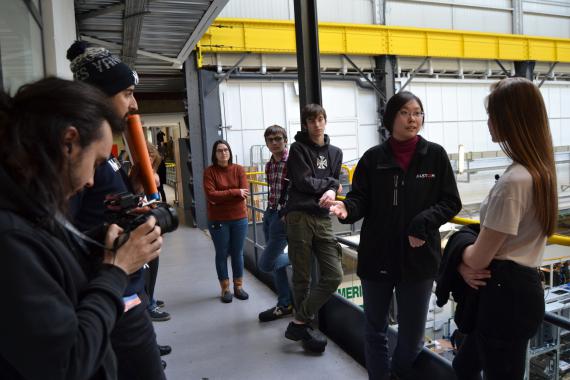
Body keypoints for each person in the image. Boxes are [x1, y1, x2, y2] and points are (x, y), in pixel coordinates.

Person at [0, 77, 162, 379]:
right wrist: (117, 270)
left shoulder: (30, 206)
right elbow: (67, 363)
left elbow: (50, 263)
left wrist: (98, 241)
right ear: (68, 143)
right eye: (97, 163)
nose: (91, 180)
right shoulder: (11, 237)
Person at [328, 91, 461, 379]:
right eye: (405, 112)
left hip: (419, 259)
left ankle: (397, 374)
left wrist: (422, 222)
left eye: (417, 112)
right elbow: (360, 199)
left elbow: (451, 202)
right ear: (391, 118)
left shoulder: (435, 156)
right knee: (375, 329)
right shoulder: (374, 158)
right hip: (378, 255)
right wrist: (346, 208)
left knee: (412, 337)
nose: (413, 119)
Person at [67, 40, 170, 379]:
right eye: (127, 92)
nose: (134, 102)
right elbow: (70, 232)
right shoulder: (79, 155)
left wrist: (135, 187)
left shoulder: (100, 146)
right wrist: (118, 262)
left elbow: (104, 208)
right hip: (113, 291)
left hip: (124, 287)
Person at [453, 77, 557, 380]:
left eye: (493, 114)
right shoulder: (542, 172)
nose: (488, 122)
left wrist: (459, 257)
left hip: (502, 295)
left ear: (511, 119)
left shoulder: (514, 181)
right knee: (469, 367)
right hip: (521, 291)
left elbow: (478, 259)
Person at [283, 103, 344, 354]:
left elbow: (338, 180)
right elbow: (303, 181)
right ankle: (305, 327)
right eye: (311, 121)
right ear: (306, 125)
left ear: (325, 121)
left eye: (320, 119)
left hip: (322, 217)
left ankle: (299, 319)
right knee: (302, 276)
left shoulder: (336, 152)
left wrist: (332, 187)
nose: (317, 124)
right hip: (299, 216)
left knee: (334, 274)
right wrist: (331, 186)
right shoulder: (297, 149)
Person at [203, 139, 250, 303]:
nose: (223, 153)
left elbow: (244, 193)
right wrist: (234, 192)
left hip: (239, 219)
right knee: (222, 254)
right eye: (219, 150)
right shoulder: (209, 172)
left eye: (226, 150)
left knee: (237, 253)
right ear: (214, 154)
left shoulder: (239, 170)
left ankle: (238, 286)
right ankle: (225, 289)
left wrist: (222, 196)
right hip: (218, 220)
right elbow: (211, 195)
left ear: (229, 152)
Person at [258, 125, 294, 322]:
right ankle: (285, 303)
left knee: (266, 263)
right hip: (270, 214)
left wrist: (286, 212)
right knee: (277, 264)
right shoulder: (270, 165)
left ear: (285, 140)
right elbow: (273, 190)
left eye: (278, 139)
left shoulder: (293, 162)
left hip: (283, 217)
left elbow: (297, 190)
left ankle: (299, 256)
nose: (274, 143)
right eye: (270, 140)